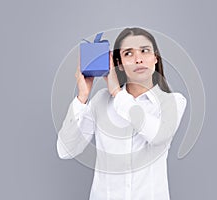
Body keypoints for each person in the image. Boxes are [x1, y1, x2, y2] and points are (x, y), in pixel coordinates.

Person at [57, 27, 187, 200]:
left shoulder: (173, 102)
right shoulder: (100, 101)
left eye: (144, 51)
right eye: (128, 54)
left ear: (155, 57)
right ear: (118, 63)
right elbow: (66, 151)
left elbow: (158, 135)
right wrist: (82, 97)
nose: (138, 59)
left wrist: (118, 93)